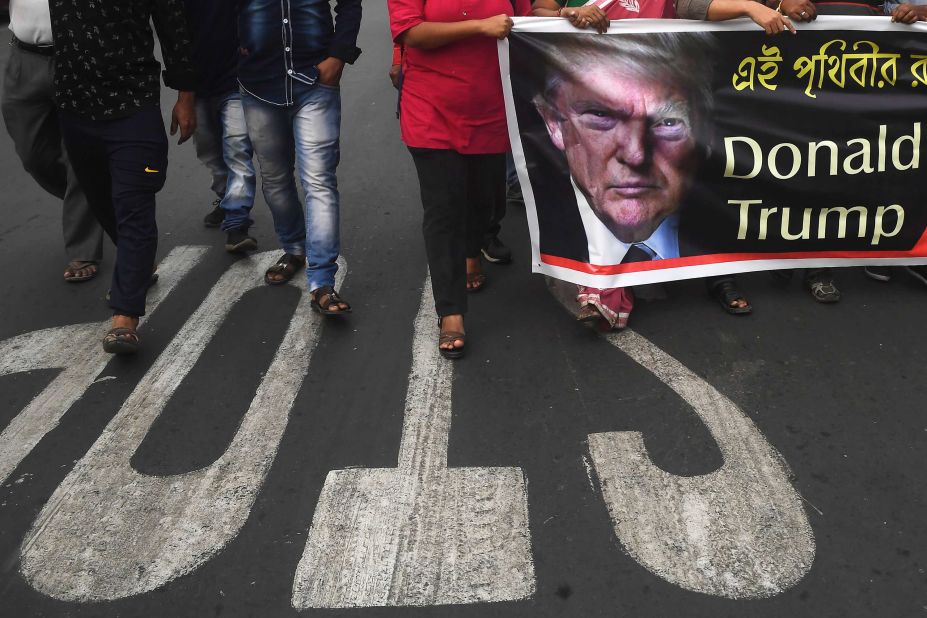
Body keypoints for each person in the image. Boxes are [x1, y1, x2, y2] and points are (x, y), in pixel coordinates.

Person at [526, 16, 786, 328]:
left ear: (706, 129)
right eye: (600, 115)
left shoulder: (722, 220)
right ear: (553, 122)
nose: (635, 155)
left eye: (668, 122)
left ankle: (717, 280)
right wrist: (562, 16)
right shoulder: (554, 233)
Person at [49, 0, 197, 354]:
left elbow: (176, 31)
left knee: (133, 207)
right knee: (102, 202)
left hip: (132, 110)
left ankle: (125, 318)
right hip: (75, 110)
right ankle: (139, 265)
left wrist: (186, 97)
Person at [389, 0, 530, 359]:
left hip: (490, 106)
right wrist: (480, 26)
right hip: (430, 108)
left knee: (485, 201)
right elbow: (411, 32)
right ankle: (451, 311)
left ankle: (471, 251)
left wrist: (566, 16)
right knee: (444, 209)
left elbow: (527, 19)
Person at [237, 0, 360, 304]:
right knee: (275, 179)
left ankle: (322, 280)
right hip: (257, 85)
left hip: (315, 80)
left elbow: (350, 3)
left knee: (319, 181)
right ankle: (294, 248)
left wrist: (339, 55)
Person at [1, 0, 104, 283]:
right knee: (32, 153)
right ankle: (96, 202)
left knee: (80, 153)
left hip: (77, 54)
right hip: (24, 57)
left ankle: (83, 248)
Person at [185, 0, 258, 255]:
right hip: (197, 84)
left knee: (238, 149)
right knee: (209, 150)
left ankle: (237, 222)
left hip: (236, 80)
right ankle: (226, 196)